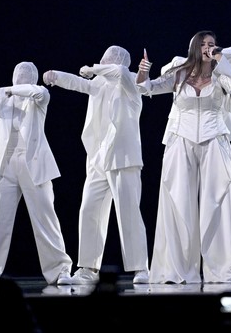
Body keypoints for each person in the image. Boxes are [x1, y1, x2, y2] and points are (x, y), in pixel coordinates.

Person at [135, 30, 231, 284]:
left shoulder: (221, 75)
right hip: (180, 140)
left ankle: (222, 271)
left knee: (218, 203)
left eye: (211, 44)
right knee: (179, 201)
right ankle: (178, 271)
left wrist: (218, 58)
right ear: (193, 47)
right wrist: (143, 70)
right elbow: (145, 89)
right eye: (202, 44)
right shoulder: (178, 74)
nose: (207, 47)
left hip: (215, 141)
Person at [42, 45, 150, 285]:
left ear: (116, 61)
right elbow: (78, 83)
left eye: (107, 59)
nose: (102, 61)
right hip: (98, 158)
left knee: (129, 212)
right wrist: (56, 76)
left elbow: (119, 73)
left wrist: (92, 68)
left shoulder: (131, 80)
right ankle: (87, 268)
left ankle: (140, 267)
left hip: (123, 157)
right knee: (89, 210)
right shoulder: (98, 85)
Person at [0, 61, 73, 286]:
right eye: (17, 75)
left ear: (31, 77)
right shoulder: (4, 96)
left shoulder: (39, 95)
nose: (19, 78)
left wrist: (12, 89)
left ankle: (60, 270)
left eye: (23, 75)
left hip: (34, 166)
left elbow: (34, 91)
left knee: (45, 219)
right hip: (7, 165)